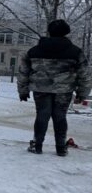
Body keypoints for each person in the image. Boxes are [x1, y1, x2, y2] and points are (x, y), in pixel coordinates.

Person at [17, 19, 91, 156]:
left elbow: (23, 72)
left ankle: (37, 145)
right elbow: (85, 74)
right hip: (64, 90)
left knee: (42, 115)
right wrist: (82, 93)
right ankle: (61, 147)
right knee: (60, 117)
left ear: (49, 32)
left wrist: (23, 90)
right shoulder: (75, 52)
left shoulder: (33, 51)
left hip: (40, 89)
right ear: (66, 33)